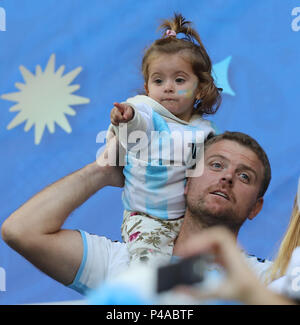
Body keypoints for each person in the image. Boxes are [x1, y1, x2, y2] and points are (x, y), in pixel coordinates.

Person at [1, 131, 273, 299]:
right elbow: (21, 231)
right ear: (186, 182)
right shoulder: (119, 261)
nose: (227, 177)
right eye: (216, 165)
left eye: (244, 176)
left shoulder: (267, 280)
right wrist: (102, 171)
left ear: (256, 207)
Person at [107, 13, 222, 266]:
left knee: (202, 266)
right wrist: (126, 117)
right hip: (146, 216)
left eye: (179, 80)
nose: (168, 87)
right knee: (148, 265)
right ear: (148, 88)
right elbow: (139, 120)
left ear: (200, 88)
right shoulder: (148, 111)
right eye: (158, 80)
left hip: (186, 219)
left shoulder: (204, 130)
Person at [175, 226, 297, 305]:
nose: (225, 183)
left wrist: (253, 293)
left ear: (256, 207)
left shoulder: (269, 277)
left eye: (245, 183)